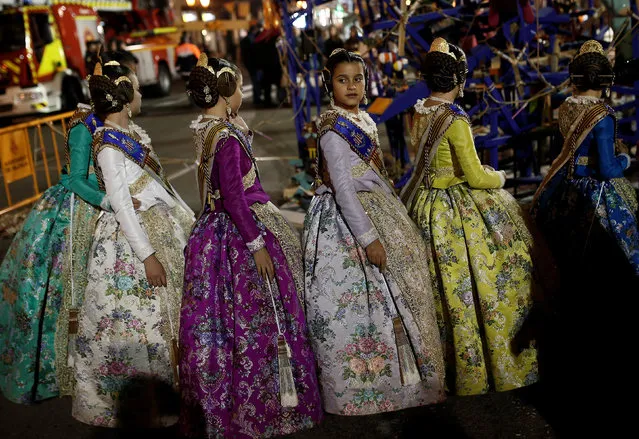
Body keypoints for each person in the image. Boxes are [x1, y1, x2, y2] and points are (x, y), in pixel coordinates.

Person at [178, 54, 323, 438]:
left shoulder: (210, 128)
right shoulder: (225, 138)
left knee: (223, 320)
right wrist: (257, 243)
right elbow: (235, 198)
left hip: (213, 230)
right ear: (226, 95)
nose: (242, 94)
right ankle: (264, 405)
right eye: (239, 88)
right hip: (241, 232)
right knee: (259, 318)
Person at [303, 49, 445, 416]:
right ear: (328, 83)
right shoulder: (333, 129)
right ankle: (370, 389)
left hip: (380, 207)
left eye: (357, 79)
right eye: (342, 80)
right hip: (348, 223)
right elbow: (343, 189)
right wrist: (368, 238)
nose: (351, 86)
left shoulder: (363, 118)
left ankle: (414, 379)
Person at [0, 52, 143, 403]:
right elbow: (75, 179)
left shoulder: (116, 124)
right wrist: (109, 200)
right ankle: (65, 367)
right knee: (70, 291)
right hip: (81, 212)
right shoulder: (84, 128)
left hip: (117, 204)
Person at [400, 38, 539, 396]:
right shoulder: (455, 119)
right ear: (458, 80)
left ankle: (450, 365)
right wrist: (500, 177)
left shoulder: (419, 112)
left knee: (443, 289)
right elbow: (476, 177)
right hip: (454, 210)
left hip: (425, 206)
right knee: (492, 273)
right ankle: (490, 366)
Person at [70, 60, 194, 427]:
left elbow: (157, 186)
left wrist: (182, 216)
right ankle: (144, 405)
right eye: (137, 90)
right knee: (142, 321)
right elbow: (122, 204)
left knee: (169, 315)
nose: (141, 94)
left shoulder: (134, 133)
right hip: (133, 241)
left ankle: (171, 394)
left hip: (158, 225)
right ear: (124, 99)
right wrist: (148, 256)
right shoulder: (109, 144)